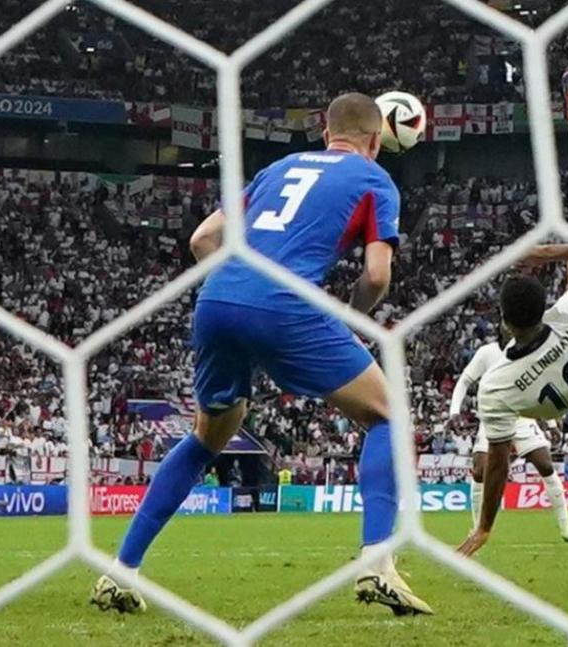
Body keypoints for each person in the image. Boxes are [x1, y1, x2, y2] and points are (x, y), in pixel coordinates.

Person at [92, 93, 433, 616]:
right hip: (285, 304)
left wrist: (235, 293)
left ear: (324, 133)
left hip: (218, 298)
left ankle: (121, 571)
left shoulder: (279, 167)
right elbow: (378, 276)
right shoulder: (373, 180)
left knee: (208, 438)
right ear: (376, 142)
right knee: (388, 416)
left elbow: (203, 239)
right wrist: (348, 320)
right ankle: (376, 562)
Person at [459, 70, 568, 557]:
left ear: (506, 323)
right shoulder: (567, 314)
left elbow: (500, 466)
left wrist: (484, 528)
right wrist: (547, 251)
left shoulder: (496, 384)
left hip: (549, 392)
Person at [446, 335, 568, 542]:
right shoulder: (487, 352)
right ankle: (477, 530)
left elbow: (540, 388)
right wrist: (454, 411)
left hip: (522, 417)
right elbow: (465, 380)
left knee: (545, 465)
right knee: (479, 471)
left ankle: (566, 527)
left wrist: (551, 423)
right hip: (493, 417)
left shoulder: (530, 350)